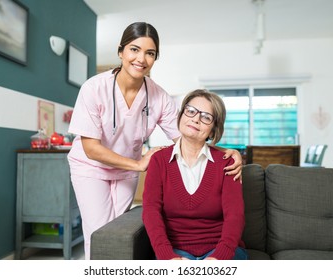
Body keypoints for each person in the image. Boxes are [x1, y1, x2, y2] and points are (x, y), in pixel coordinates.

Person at [67, 22, 243, 260]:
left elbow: (189, 135)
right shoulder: (93, 88)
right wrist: (139, 165)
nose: (141, 58)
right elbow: (91, 148)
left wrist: (226, 151)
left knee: (116, 234)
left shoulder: (158, 96)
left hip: (126, 171)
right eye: (134, 49)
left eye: (150, 53)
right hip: (91, 167)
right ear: (121, 52)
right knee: (98, 233)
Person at [142, 89, 248, 260]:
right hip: (175, 251)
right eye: (191, 111)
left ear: (213, 130)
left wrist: (218, 258)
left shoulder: (228, 163)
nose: (196, 119)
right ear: (181, 115)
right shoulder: (158, 161)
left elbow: (235, 216)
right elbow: (150, 211)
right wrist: (167, 256)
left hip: (220, 250)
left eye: (206, 117)